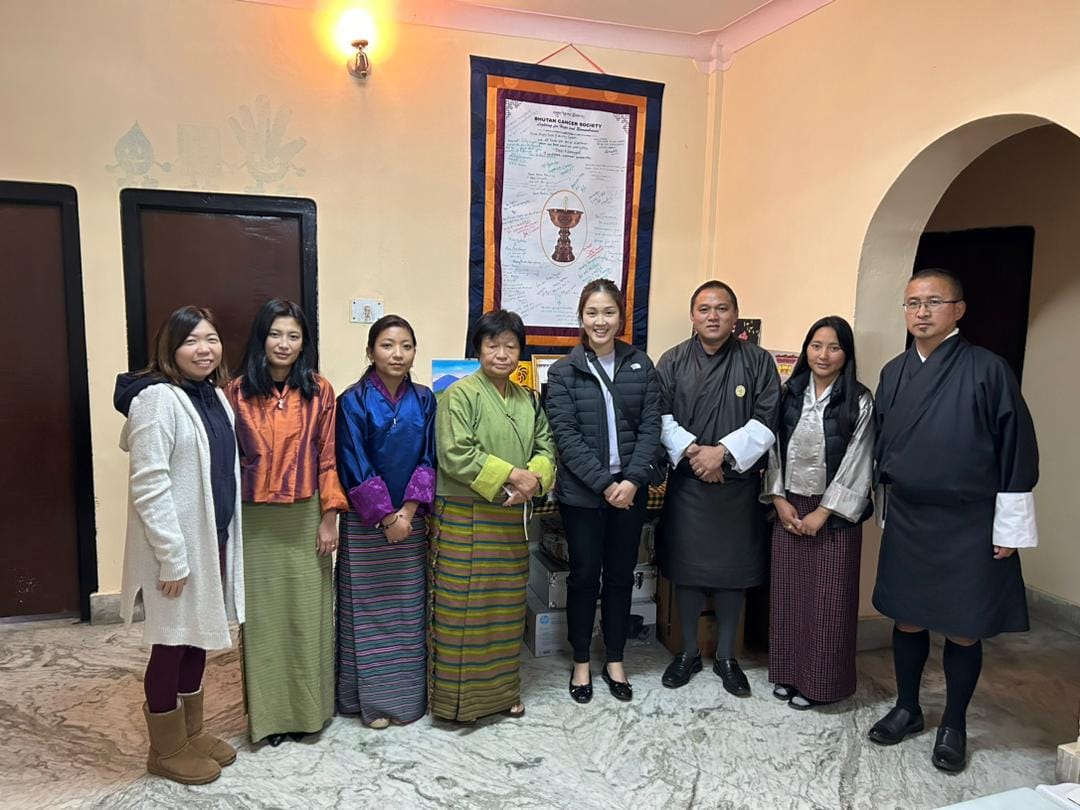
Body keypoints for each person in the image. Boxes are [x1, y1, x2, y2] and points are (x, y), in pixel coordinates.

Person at [866, 268, 1039, 772]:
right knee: (906, 615)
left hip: (969, 519)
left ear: (958, 310)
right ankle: (907, 708)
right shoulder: (895, 372)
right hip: (910, 515)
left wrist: (1010, 526)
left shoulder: (988, 369)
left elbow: (1016, 446)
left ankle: (954, 724)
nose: (921, 312)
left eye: (933, 302)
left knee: (964, 626)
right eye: (913, 303)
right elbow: (881, 443)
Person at [115, 305, 243, 785]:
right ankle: (165, 750)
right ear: (170, 348)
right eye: (191, 341)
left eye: (211, 339)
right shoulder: (156, 399)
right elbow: (149, 484)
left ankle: (191, 733)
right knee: (170, 644)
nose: (204, 349)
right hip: (174, 551)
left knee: (198, 637)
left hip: (211, 541)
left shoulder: (214, 396)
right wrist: (172, 557)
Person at [225, 298, 347, 746]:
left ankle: (309, 713)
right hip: (254, 520)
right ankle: (270, 718)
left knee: (307, 614)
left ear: (303, 343)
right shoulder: (235, 392)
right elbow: (226, 462)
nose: (284, 343)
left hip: (305, 515)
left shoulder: (320, 390)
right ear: (261, 337)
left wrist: (329, 518)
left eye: (293, 336)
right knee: (262, 620)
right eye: (275, 334)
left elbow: (328, 457)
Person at [431, 309, 556, 722]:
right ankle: (458, 704)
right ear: (478, 349)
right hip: (466, 516)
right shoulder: (458, 394)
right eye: (492, 344)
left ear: (520, 352)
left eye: (510, 346)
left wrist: (533, 480)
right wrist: (513, 475)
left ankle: (503, 694)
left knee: (505, 611)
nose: (502, 354)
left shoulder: (529, 399)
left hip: (512, 518)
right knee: (462, 609)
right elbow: (455, 454)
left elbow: (546, 447)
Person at [656, 280, 781, 694]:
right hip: (689, 483)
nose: (713, 316)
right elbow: (659, 415)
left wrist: (722, 454)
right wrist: (696, 453)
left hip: (736, 485)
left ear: (735, 316)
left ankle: (727, 656)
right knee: (687, 572)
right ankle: (688, 652)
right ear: (693, 316)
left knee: (733, 574)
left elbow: (767, 419)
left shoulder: (758, 361)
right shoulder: (672, 360)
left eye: (722, 308)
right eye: (705, 309)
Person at [545, 279, 661, 704]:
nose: (600, 321)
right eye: (592, 313)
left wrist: (631, 481)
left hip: (630, 492)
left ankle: (615, 658)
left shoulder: (640, 364)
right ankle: (580, 661)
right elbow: (566, 436)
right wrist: (606, 484)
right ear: (581, 318)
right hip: (584, 495)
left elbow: (651, 425)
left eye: (608, 312)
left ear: (620, 318)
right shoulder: (563, 371)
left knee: (619, 577)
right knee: (583, 577)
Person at [762, 316, 874, 710]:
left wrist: (823, 513)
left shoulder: (859, 400)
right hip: (789, 507)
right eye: (816, 345)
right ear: (806, 349)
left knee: (828, 601)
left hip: (833, 516)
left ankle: (821, 684)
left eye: (834, 347)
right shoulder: (789, 392)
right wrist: (779, 500)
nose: (823, 355)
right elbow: (772, 448)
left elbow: (860, 461)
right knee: (789, 596)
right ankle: (787, 672)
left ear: (847, 354)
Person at [335, 314, 436, 728]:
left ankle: (404, 701)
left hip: (411, 523)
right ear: (370, 351)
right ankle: (366, 701)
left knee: (407, 612)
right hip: (366, 523)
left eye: (406, 346)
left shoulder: (425, 399)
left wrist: (407, 513)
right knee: (365, 610)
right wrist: (384, 517)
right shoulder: (352, 401)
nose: (398, 354)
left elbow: (429, 457)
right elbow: (353, 461)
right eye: (388, 345)